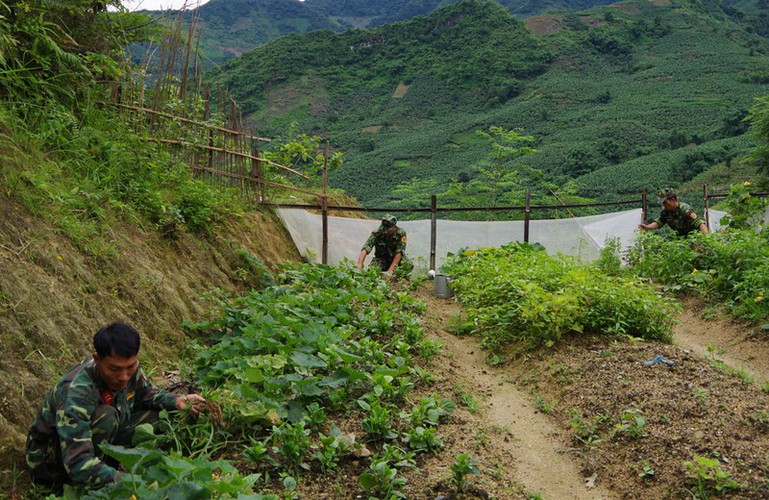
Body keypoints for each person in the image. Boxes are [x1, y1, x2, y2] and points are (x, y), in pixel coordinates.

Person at [25, 322, 205, 489]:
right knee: (107, 417)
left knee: (164, 416)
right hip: (57, 459)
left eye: (130, 367)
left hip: (101, 438)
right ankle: (96, 481)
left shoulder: (129, 368)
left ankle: (110, 468)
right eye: (115, 369)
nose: (124, 377)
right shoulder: (77, 392)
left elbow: (146, 394)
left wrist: (175, 400)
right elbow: (76, 461)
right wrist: (127, 482)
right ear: (97, 359)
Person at [638, 188, 709, 236]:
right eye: (663, 203)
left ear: (672, 199)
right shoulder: (665, 212)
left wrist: (707, 239)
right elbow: (659, 222)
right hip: (680, 241)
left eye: (665, 202)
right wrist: (647, 227)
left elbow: (700, 224)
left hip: (694, 238)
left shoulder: (685, 209)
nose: (664, 205)